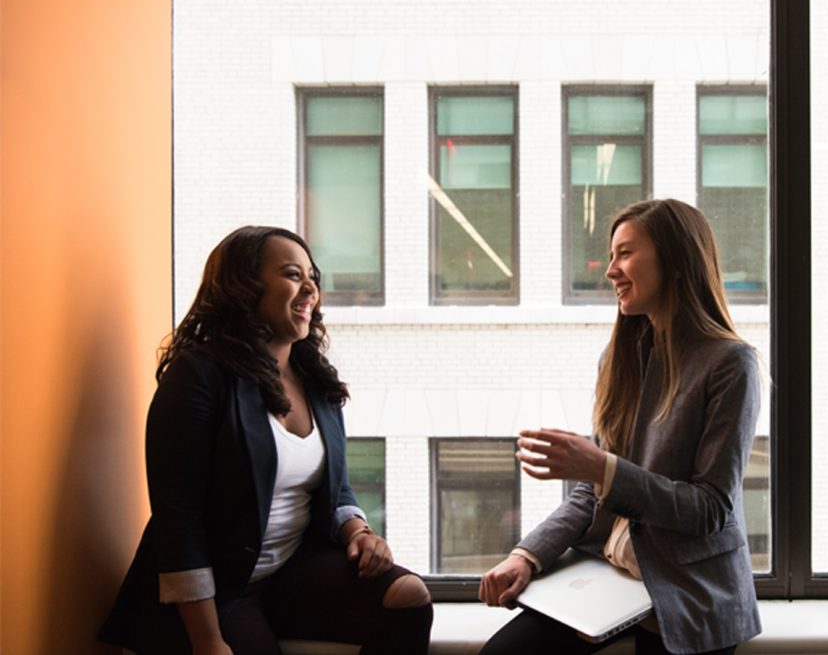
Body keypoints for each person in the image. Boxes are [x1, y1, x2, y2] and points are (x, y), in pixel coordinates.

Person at [99, 226, 432, 655]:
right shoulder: (199, 376)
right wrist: (207, 641)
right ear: (243, 287)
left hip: (290, 572)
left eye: (313, 276)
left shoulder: (315, 379)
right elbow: (178, 521)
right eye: (294, 274)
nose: (311, 287)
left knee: (409, 597)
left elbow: (337, 486)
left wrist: (358, 530)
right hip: (216, 593)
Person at [479, 199, 762, 655]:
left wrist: (603, 468)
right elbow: (592, 491)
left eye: (625, 253)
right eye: (612, 256)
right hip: (608, 580)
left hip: (686, 589)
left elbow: (710, 509)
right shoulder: (621, 359)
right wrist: (526, 555)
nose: (610, 271)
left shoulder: (731, 363)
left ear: (675, 261)